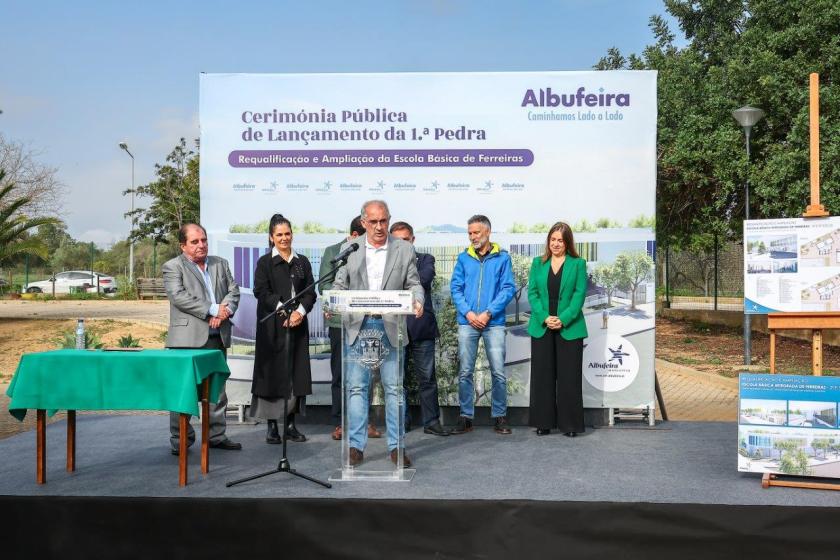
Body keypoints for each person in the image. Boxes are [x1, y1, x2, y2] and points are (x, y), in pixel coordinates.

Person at [332, 200, 424, 468]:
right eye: (373, 222)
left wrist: (417, 301)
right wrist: (334, 302)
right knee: (358, 388)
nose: (380, 226)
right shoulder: (349, 249)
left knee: (394, 390)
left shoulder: (404, 249)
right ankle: (356, 447)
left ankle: (397, 448)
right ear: (363, 223)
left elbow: (414, 284)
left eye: (384, 220)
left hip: (391, 327)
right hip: (358, 328)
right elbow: (339, 283)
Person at [162, 223, 241, 454]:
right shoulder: (172, 266)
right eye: (195, 242)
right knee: (182, 391)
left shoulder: (220, 263)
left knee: (217, 391)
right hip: (186, 341)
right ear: (183, 245)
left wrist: (224, 310)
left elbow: (233, 291)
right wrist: (213, 310)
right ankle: (181, 441)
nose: (201, 245)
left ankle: (216, 436)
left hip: (217, 337)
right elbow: (179, 297)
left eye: (204, 240)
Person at [250, 214, 315, 444]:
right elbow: (261, 291)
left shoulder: (302, 262)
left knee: (295, 375)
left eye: (287, 233)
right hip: (272, 329)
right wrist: (283, 309)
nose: (284, 238)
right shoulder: (264, 263)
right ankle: (271, 427)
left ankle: (290, 425)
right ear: (271, 237)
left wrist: (300, 313)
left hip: (297, 325)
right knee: (272, 376)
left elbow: (310, 293)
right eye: (279, 234)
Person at [449, 215, 515, 435]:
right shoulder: (463, 258)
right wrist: (468, 313)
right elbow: (456, 288)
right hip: (467, 322)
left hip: (493, 322)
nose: (472, 237)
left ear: (487, 232)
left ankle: (500, 417)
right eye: (469, 233)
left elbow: (507, 289)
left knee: (498, 372)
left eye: (476, 232)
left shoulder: (502, 258)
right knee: (465, 371)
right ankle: (466, 417)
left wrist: (488, 313)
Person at [319, 216, 383, 442]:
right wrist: (349, 299)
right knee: (340, 374)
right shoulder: (333, 251)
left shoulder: (376, 254)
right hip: (340, 323)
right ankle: (340, 422)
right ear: (357, 235)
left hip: (367, 323)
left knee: (366, 374)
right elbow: (325, 285)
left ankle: (364, 422)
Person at [527, 222, 589, 437]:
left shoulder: (578, 264)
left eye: (560, 240)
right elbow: (532, 294)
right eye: (552, 239)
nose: (555, 243)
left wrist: (562, 319)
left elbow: (579, 295)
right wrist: (545, 317)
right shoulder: (537, 263)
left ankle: (570, 425)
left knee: (569, 378)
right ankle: (543, 423)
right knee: (542, 377)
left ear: (567, 242)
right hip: (542, 326)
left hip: (569, 327)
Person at [389, 221, 450, 436]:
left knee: (428, 378)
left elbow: (422, 280)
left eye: (405, 240)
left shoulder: (426, 259)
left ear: (412, 240)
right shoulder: (386, 264)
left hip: (421, 328)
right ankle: (401, 422)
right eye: (396, 240)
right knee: (397, 380)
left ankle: (431, 422)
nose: (401, 244)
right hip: (395, 329)